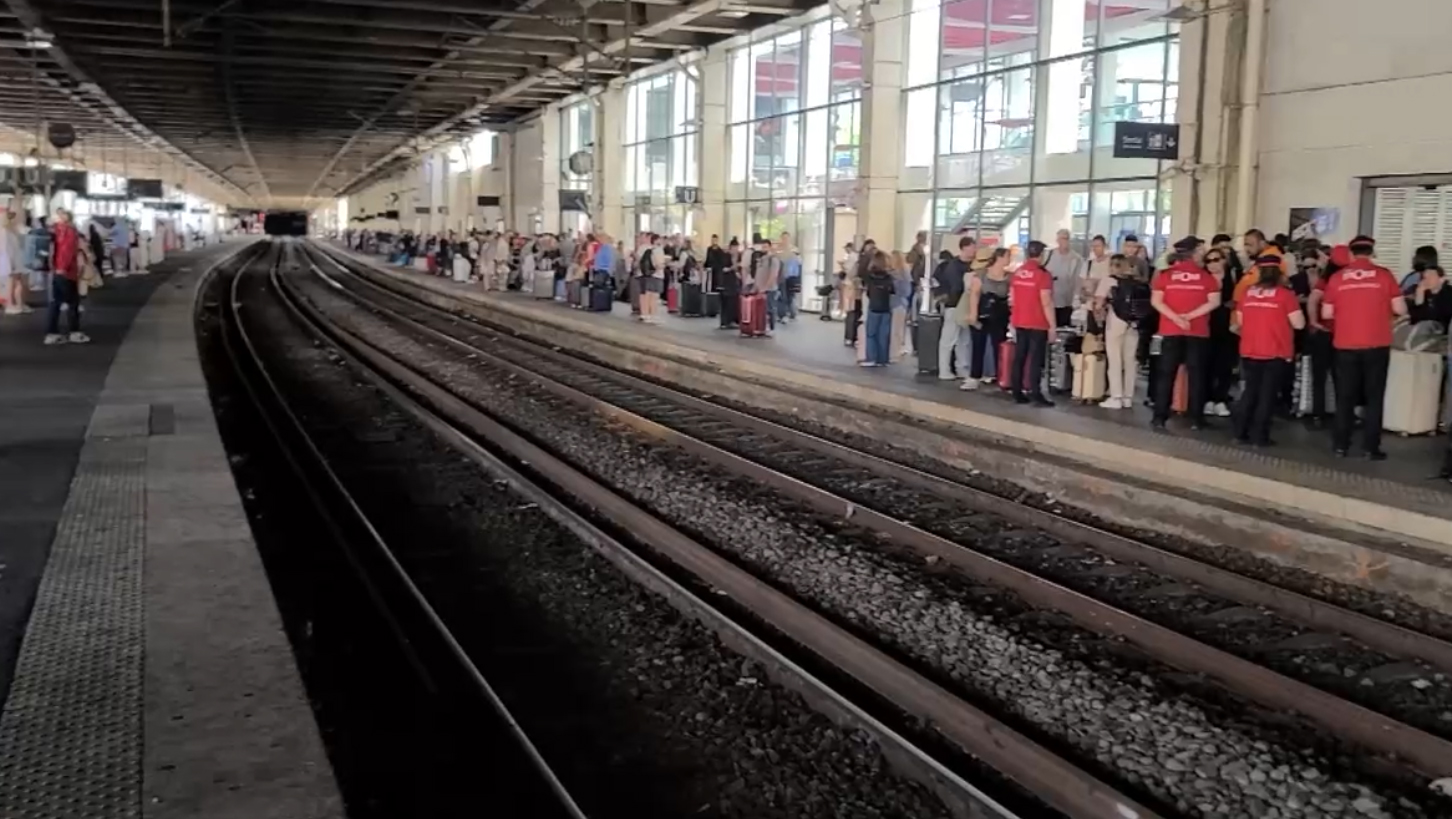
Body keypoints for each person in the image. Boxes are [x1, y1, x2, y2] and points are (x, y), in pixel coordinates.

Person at [1320, 236, 1407, 460]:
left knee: (1345, 397)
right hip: (1376, 344)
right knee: (1374, 398)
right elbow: (1400, 308)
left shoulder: (1338, 278)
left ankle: (1341, 446)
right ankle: (1371, 448)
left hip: (1345, 344)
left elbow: (1326, 314)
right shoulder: (1384, 275)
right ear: (1371, 253)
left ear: (1351, 254)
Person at [1149, 236, 1221, 430]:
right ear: (1194, 253)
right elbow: (1215, 302)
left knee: (1166, 374)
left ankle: (1159, 417)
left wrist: (1176, 318)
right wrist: (1189, 316)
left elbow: (1156, 302)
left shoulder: (1165, 276)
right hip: (1197, 332)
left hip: (1170, 330)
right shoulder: (1206, 277)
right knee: (1197, 376)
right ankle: (1197, 419)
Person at [1232, 258, 1306, 446]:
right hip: (1275, 351)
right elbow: (1299, 324)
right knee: (1267, 396)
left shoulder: (1248, 293)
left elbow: (1240, 322)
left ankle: (1240, 433)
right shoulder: (1285, 295)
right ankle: (1260, 436)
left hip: (1249, 350)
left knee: (1250, 392)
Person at [1094, 254, 1150, 408]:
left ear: (1112, 265)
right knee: (1130, 360)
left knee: (1115, 359)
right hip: (1134, 324)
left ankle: (1116, 397)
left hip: (1116, 321)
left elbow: (1098, 304)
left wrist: (1098, 313)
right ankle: (1128, 397)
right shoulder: (1139, 283)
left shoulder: (1108, 280)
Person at [1009, 240, 1056, 406]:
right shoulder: (1043, 275)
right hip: (1037, 322)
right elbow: (1046, 302)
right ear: (1041, 255)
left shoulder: (1018, 272)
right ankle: (1036, 393)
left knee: (1019, 357)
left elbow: (1012, 298)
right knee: (1036, 359)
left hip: (1020, 320)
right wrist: (1052, 326)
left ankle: (1017, 391)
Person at [962, 246, 1011, 390]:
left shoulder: (1009, 277)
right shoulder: (982, 275)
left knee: (999, 346)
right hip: (982, 313)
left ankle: (1000, 375)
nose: (1010, 260)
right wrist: (973, 314)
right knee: (978, 345)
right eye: (1008, 256)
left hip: (1000, 315)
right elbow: (974, 294)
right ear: (1000, 257)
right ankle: (974, 376)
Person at [933, 236, 975, 380]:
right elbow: (956, 286)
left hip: (960, 305)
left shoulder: (959, 265)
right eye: (973, 247)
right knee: (950, 339)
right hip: (955, 305)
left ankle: (961, 369)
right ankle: (945, 370)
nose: (975, 250)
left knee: (963, 339)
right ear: (965, 247)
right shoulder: (955, 266)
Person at [1202, 249, 1238, 418]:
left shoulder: (1234, 277)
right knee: (1207, 364)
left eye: (1216, 259)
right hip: (1207, 326)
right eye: (1208, 261)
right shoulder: (1204, 279)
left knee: (1225, 365)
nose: (1213, 264)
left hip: (1228, 327)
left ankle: (1221, 399)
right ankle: (1208, 399)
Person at [45, 209, 87, 345]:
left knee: (55, 303)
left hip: (56, 270)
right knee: (73, 302)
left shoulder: (53, 230)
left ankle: (52, 334)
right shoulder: (68, 231)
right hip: (66, 272)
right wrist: (63, 268)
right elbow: (67, 250)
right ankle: (74, 332)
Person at [1044, 228, 1084, 328]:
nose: (1064, 241)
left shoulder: (1076, 258)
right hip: (1049, 300)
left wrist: (1076, 297)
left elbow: (1078, 279)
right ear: (1057, 240)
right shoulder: (1048, 255)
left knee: (1063, 328)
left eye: (1067, 238)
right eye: (1062, 238)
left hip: (1066, 301)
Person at [861, 251, 895, 366]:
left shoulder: (870, 276)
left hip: (874, 307)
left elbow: (869, 293)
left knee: (871, 334)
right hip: (886, 308)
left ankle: (871, 358)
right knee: (883, 336)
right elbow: (893, 291)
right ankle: (883, 359)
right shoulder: (889, 277)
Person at [889, 250, 913, 361]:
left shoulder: (892, 274)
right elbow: (907, 291)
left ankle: (893, 353)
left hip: (893, 303)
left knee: (894, 330)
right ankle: (895, 352)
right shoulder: (905, 273)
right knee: (897, 330)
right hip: (900, 303)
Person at [2, 210, 25, 315]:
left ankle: (19, 304)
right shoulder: (4, 231)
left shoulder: (11, 230)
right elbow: (6, 248)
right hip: (10, 260)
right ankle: (10, 304)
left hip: (15, 258)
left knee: (18, 282)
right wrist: (9, 262)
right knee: (10, 284)